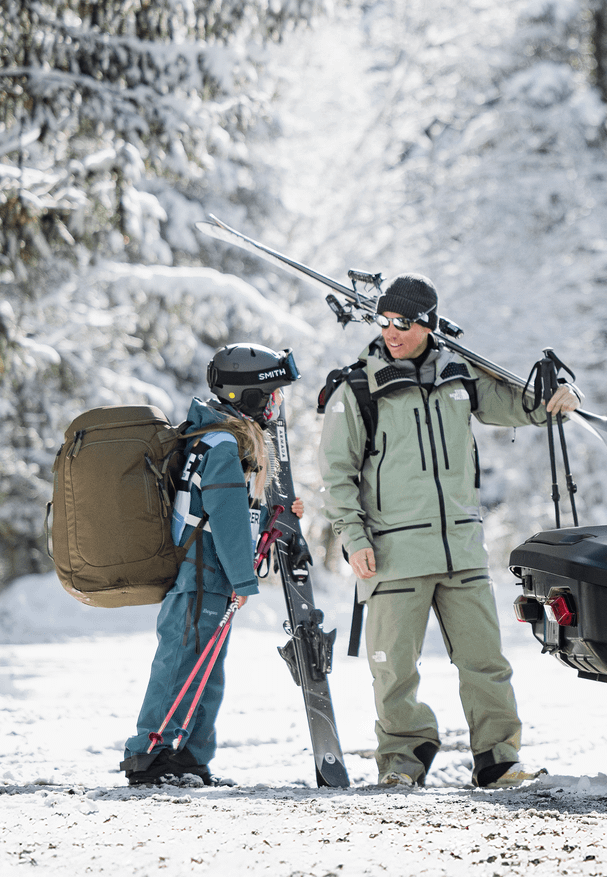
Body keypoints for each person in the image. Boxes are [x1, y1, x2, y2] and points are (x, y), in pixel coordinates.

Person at [318, 273, 579, 788]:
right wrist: (354, 537)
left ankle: (498, 760)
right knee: (394, 670)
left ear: (429, 324)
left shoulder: (460, 376)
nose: (392, 332)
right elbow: (336, 474)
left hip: (461, 548)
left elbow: (518, 404)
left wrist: (555, 398)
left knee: (486, 662)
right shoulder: (356, 388)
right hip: (393, 552)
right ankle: (403, 760)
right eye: (384, 321)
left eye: (405, 323)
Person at [120, 343, 302, 786]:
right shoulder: (221, 442)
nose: (276, 404)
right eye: (271, 395)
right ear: (248, 396)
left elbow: (236, 513)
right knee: (181, 662)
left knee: (207, 670)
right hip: (199, 575)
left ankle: (189, 756)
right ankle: (148, 754)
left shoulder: (222, 437)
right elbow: (226, 520)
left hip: (209, 576)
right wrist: (243, 578)